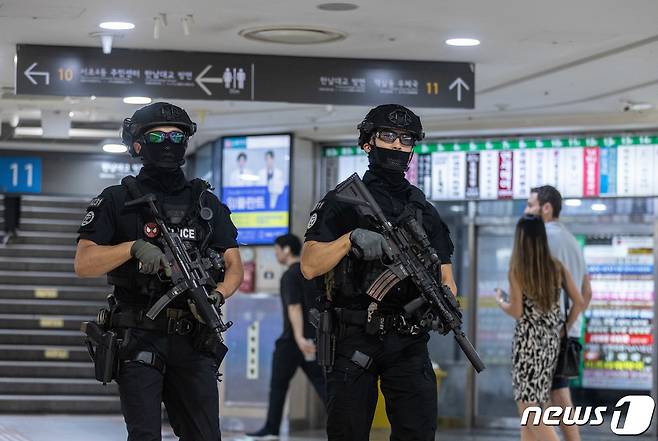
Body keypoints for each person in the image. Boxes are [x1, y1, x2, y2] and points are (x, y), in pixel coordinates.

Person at [74, 102, 244, 441]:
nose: (168, 142)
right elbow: (83, 263)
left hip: (194, 339)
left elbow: (234, 266)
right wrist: (132, 247)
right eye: (157, 135)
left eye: (176, 135)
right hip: (140, 336)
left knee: (206, 436)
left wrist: (217, 294)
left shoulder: (205, 204)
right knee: (145, 435)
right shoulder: (116, 199)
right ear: (137, 144)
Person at [301, 104, 456, 441]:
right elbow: (310, 264)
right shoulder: (344, 201)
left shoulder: (423, 211)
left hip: (409, 340)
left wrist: (443, 303)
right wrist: (349, 239)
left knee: (418, 432)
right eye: (388, 136)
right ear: (367, 142)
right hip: (354, 336)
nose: (398, 145)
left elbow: (447, 276)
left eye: (406, 139)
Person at [496, 214, 585, 441]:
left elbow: (517, 311)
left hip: (527, 344)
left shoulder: (517, 270)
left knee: (528, 411)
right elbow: (580, 301)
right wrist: (564, 329)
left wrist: (500, 301)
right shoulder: (556, 266)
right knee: (536, 408)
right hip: (550, 343)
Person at [525, 185, 592, 441]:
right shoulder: (572, 241)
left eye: (530, 205)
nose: (526, 211)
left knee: (531, 403)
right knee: (559, 396)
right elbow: (587, 293)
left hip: (545, 332)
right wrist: (569, 327)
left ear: (546, 208)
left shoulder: (543, 238)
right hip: (567, 334)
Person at [247, 234, 327, 439]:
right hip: (314, 339)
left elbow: (294, 307)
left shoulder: (290, 275)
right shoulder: (310, 273)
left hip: (293, 341)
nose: (275, 254)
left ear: (286, 250)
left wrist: (299, 338)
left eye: (276, 250)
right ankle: (342, 425)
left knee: (278, 385)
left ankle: (271, 429)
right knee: (323, 384)